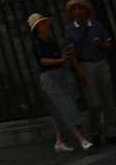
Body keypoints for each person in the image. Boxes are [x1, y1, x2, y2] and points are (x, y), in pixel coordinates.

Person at [27, 13, 93, 154]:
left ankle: (59, 141)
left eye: (44, 23)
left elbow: (58, 56)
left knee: (59, 110)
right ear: (36, 28)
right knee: (65, 105)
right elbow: (43, 61)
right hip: (49, 77)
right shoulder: (37, 43)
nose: (45, 25)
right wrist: (61, 60)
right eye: (41, 24)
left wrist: (65, 54)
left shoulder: (50, 40)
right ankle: (81, 139)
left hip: (60, 74)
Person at [63, 0, 116, 145]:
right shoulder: (70, 29)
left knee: (108, 99)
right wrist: (79, 71)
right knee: (94, 102)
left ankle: (112, 133)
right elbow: (72, 53)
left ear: (86, 10)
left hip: (101, 62)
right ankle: (95, 132)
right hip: (85, 64)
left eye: (80, 8)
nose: (77, 11)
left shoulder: (96, 25)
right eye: (74, 9)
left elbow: (108, 43)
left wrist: (101, 44)